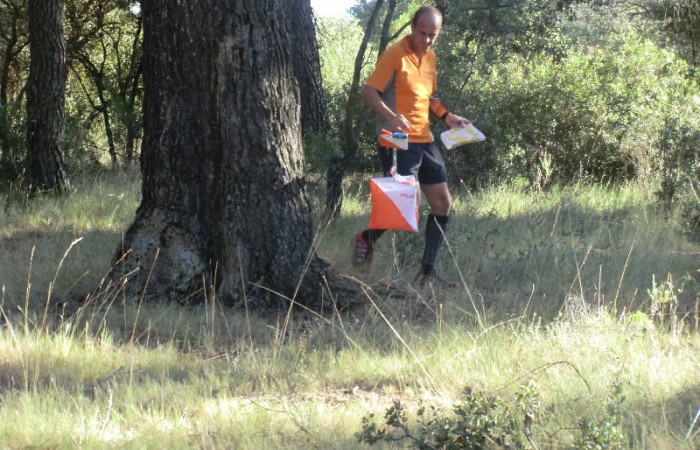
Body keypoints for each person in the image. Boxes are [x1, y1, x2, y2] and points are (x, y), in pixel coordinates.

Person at [352, 6, 470, 287]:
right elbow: (369, 91)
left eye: (433, 35)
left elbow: (431, 98)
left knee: (442, 202)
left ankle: (427, 272)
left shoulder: (430, 57)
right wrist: (391, 116)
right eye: (422, 32)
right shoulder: (395, 54)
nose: (427, 39)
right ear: (412, 28)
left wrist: (447, 116)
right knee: (405, 205)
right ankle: (365, 238)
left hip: (424, 138)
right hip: (396, 140)